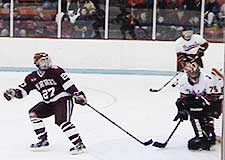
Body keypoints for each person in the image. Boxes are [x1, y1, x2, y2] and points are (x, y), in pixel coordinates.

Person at [3, 52, 87, 155]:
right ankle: (43, 140)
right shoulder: (32, 77)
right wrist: (14, 93)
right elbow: (23, 92)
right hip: (49, 103)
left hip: (63, 99)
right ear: (36, 63)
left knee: (62, 121)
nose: (46, 62)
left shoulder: (56, 71)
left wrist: (77, 94)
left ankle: (79, 144)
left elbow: (68, 84)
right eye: (43, 60)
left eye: (47, 59)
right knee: (33, 114)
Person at [173, 56, 223, 150]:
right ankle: (204, 136)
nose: (193, 74)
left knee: (200, 110)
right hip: (203, 101)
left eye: (195, 71)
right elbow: (184, 98)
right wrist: (182, 109)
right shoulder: (183, 80)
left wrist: (200, 102)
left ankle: (208, 134)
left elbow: (214, 97)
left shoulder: (208, 79)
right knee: (193, 109)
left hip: (218, 103)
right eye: (190, 72)